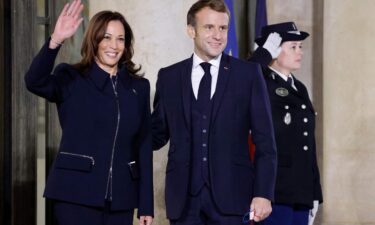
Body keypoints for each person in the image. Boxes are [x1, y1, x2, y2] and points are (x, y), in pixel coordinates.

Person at [24, 1, 153, 224]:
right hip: (74, 196)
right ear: (94, 40)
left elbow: (143, 146)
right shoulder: (71, 78)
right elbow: (34, 81)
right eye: (106, 37)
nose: (114, 45)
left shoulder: (138, 88)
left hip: (121, 200)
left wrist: (146, 206)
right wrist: (56, 40)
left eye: (120, 38)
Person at [151, 0, 277, 224]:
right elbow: (156, 135)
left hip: (232, 198)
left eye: (223, 28)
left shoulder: (248, 75)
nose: (218, 35)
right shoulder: (169, 77)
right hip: (183, 203)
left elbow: (266, 142)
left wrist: (263, 193)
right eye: (209, 27)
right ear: (191, 30)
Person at [249, 22, 323, 225]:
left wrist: (315, 192)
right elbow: (238, 82)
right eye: (293, 47)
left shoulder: (298, 87)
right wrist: (261, 58)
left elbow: (307, 145)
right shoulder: (260, 82)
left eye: (301, 47)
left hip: (301, 192)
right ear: (273, 51)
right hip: (274, 191)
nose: (300, 52)